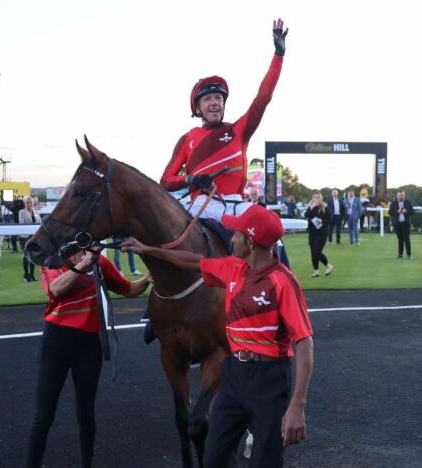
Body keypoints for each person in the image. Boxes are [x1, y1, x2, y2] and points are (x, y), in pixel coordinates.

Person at [121, 204, 313, 468]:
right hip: (233, 374)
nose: (230, 238)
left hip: (269, 381)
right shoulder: (234, 268)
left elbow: (304, 341)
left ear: (250, 240)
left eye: (236, 234)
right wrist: (148, 250)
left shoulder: (283, 282)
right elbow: (191, 261)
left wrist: (297, 405)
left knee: (265, 462)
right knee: (214, 458)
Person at [26, 249, 152, 468]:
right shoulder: (53, 259)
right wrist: (84, 265)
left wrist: (148, 279)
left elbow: (128, 289)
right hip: (56, 342)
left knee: (86, 414)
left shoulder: (100, 262)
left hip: (88, 345)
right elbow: (55, 289)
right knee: (44, 416)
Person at [160, 18, 288, 221]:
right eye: (208, 99)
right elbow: (166, 181)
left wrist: (278, 55)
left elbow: (263, 98)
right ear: (198, 108)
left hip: (236, 204)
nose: (214, 103)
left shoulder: (240, 129)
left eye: (218, 98)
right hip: (200, 206)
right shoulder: (188, 138)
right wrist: (191, 179)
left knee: (272, 230)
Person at [304, 191, 333, 277]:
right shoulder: (311, 207)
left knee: (317, 251)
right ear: (312, 198)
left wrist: (322, 221)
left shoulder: (325, 208)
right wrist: (312, 207)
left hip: (322, 233)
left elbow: (330, 220)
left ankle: (329, 266)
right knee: (313, 253)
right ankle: (316, 271)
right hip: (312, 233)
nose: (316, 198)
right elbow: (306, 215)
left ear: (321, 198)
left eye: (318, 197)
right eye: (315, 197)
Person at [18, 196, 42, 282]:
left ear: (33, 203)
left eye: (30, 202)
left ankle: (32, 275)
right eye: (28, 202)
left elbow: (39, 222)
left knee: (33, 256)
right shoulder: (21, 212)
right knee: (26, 256)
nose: (29, 204)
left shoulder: (36, 212)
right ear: (25, 203)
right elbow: (21, 223)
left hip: (34, 237)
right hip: (25, 237)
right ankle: (26, 275)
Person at [388, 191, 414, 259]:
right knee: (400, 239)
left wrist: (406, 211)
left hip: (406, 224)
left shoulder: (408, 203)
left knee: (407, 239)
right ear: (397, 196)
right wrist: (397, 211)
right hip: (397, 224)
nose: (401, 197)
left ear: (404, 195)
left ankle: (409, 254)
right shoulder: (394, 203)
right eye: (399, 195)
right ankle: (400, 254)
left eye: (402, 195)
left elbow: (412, 212)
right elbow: (390, 212)